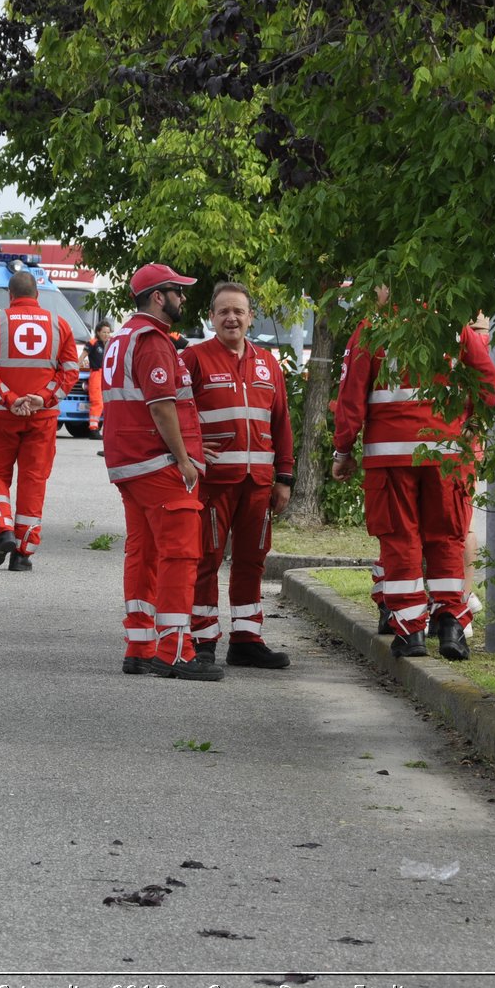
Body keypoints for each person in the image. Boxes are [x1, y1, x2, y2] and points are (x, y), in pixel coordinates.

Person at [332, 285, 495, 660]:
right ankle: (452, 626)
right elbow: (486, 374)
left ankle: (410, 632)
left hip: (390, 456)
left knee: (400, 540)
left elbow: (351, 395)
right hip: (447, 453)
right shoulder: (452, 326)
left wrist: (342, 450)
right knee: (448, 538)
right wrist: (475, 424)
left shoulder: (371, 328)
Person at [103, 264, 212, 680]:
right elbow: (162, 405)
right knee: (180, 556)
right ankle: (175, 650)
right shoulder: (152, 340)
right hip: (158, 462)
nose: (183, 299)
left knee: (143, 553)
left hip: (132, 464)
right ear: (157, 297)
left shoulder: (124, 336)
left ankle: (141, 644)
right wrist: (185, 459)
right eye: (177, 292)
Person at [180, 281, 294, 670]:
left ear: (250, 318)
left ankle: (247, 639)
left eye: (238, 311)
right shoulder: (193, 359)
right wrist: (189, 451)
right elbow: (171, 413)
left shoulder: (268, 363)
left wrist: (285, 477)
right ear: (211, 317)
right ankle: (203, 639)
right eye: (223, 311)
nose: (231, 318)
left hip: (258, 485)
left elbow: (281, 423)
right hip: (213, 484)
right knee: (206, 560)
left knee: (252, 562)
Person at [0, 269, 80, 570]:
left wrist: (10, 398)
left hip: (1, 416)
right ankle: (23, 553)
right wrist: (42, 397)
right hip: (42, 417)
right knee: (34, 481)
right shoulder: (59, 325)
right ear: (37, 295)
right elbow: (70, 371)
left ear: (10, 295)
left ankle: (2, 528)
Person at [84, 321, 113, 435]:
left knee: (108, 402)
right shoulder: (93, 343)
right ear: (98, 332)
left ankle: (102, 427)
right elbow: (82, 357)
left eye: (108, 332)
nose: (106, 334)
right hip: (96, 374)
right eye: (104, 332)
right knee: (97, 402)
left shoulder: (111, 343)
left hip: (108, 375)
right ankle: (93, 429)